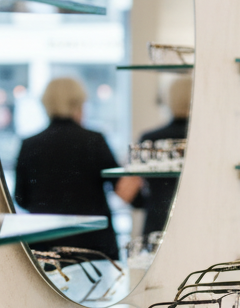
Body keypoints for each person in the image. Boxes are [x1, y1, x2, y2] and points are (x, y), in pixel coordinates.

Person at [14, 77, 130, 261]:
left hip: (46, 245)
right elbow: (122, 190)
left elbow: (21, 198)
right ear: (79, 104)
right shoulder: (94, 140)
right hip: (93, 243)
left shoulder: (29, 145)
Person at [122, 76, 192, 238]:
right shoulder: (205, 138)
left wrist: (150, 201)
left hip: (157, 221)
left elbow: (128, 192)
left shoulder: (150, 138)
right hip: (197, 218)